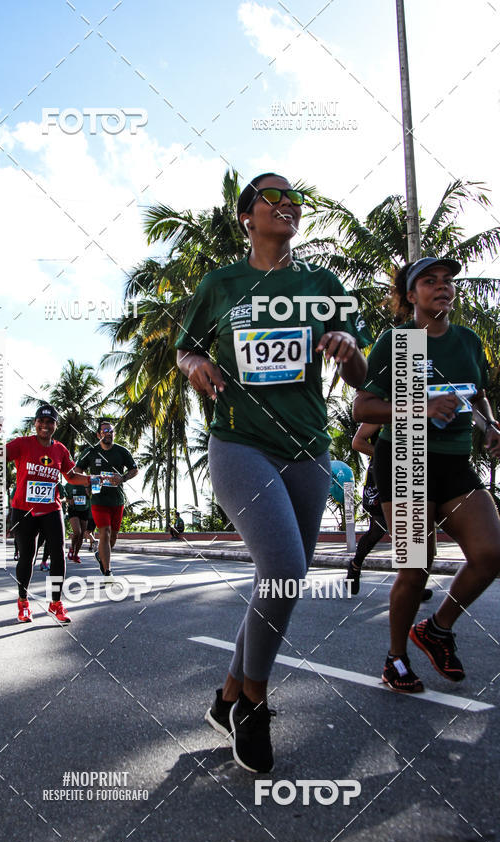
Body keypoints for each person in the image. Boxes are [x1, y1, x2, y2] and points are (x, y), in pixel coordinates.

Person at [176, 172, 370, 772]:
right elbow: (184, 346)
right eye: (273, 197)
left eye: (294, 200)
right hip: (240, 443)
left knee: (284, 578)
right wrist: (194, 363)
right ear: (247, 217)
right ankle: (253, 703)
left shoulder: (322, 284)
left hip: (309, 448)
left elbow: (363, 376)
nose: (287, 206)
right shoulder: (221, 283)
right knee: (283, 568)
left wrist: (344, 341)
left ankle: (227, 693)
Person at [353, 257, 500, 693]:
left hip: (454, 460)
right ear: (410, 296)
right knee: (417, 566)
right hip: (405, 457)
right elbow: (363, 408)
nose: (442, 287)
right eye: (429, 281)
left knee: (491, 553)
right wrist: (420, 408)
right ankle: (395, 659)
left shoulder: (468, 342)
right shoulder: (399, 342)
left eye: (447, 281)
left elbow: (477, 396)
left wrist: (490, 425)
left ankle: (437, 628)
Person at [7, 404, 92, 624]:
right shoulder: (22, 444)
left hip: (51, 509)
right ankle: (23, 602)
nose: (45, 426)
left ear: (55, 425)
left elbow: (71, 476)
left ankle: (55, 603)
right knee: (27, 556)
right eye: (41, 421)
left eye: (50, 422)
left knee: (58, 554)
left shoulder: (60, 449)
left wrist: (93, 479)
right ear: (35, 423)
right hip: (24, 510)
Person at [346, 424, 433, 603]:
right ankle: (355, 566)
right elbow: (357, 442)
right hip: (382, 473)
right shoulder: (382, 409)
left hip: (408, 474)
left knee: (411, 525)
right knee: (378, 529)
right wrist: (389, 453)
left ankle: (414, 585)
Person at [74, 421, 138, 580]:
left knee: (113, 536)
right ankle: (108, 571)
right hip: (98, 499)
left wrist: (122, 478)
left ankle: (100, 555)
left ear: (113, 434)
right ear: (98, 435)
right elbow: (77, 470)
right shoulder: (91, 452)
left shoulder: (121, 451)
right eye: (104, 431)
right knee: (105, 532)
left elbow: (134, 469)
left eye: (110, 431)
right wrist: (87, 482)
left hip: (117, 500)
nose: (107, 433)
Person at [64, 480, 91, 563]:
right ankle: (72, 548)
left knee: (82, 534)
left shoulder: (87, 482)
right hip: (73, 510)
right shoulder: (68, 485)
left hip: (84, 510)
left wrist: (89, 493)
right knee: (77, 532)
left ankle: (76, 554)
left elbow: (94, 496)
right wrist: (69, 501)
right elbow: (63, 498)